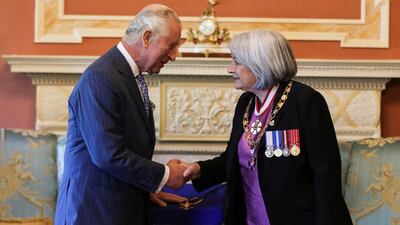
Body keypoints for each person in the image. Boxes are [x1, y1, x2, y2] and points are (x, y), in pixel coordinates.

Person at [182, 29, 353, 225]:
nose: (230, 69)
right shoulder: (246, 103)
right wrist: (198, 169)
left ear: (260, 63)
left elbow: (326, 176)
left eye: (236, 62)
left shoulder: (305, 101)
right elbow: (235, 159)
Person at [54, 4, 188, 225]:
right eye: (172, 45)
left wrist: (147, 189)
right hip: (93, 212)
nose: (174, 55)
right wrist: (165, 175)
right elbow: (109, 155)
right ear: (147, 37)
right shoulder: (101, 78)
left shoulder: (125, 75)